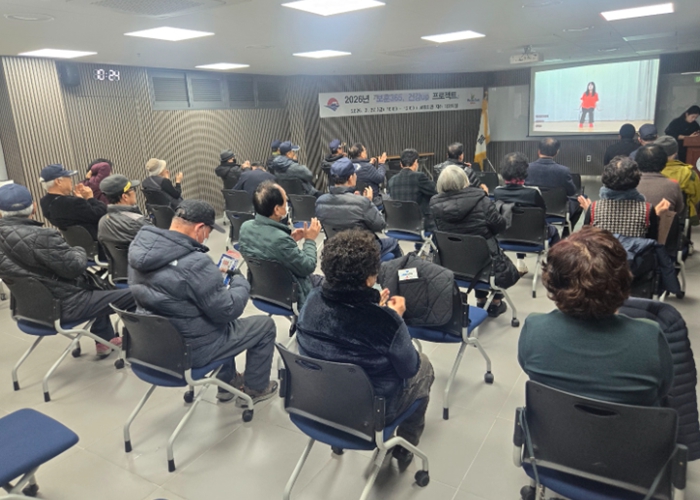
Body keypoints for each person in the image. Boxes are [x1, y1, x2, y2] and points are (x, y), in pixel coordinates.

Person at [295, 228, 434, 469]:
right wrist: (394, 317)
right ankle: (405, 445)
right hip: (370, 415)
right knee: (425, 367)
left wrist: (374, 307)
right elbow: (409, 368)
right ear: (371, 278)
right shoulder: (386, 322)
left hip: (317, 401)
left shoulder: (312, 301)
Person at [128, 199, 278, 405]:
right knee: (264, 325)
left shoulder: (139, 251)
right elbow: (229, 309)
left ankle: (228, 384)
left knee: (213, 320)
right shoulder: (195, 263)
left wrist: (208, 281)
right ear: (199, 228)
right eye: (208, 231)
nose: (207, 237)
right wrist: (239, 280)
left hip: (151, 348)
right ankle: (256, 388)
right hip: (189, 353)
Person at [518, 226, 673, 406]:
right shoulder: (650, 337)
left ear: (552, 283)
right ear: (623, 279)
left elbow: (529, 369)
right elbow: (664, 389)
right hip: (629, 424)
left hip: (554, 423)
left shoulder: (535, 329)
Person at [0, 184, 134, 357]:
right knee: (135, 294)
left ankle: (105, 339)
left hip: (29, 311)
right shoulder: (43, 236)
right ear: (34, 207)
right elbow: (75, 267)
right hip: (65, 307)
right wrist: (78, 249)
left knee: (95, 286)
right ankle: (142, 348)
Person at [430, 165, 519, 317]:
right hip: (485, 265)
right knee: (486, 251)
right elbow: (500, 226)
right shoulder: (482, 200)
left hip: (453, 264)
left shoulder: (434, 204)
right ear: (465, 180)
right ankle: (495, 302)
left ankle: (481, 299)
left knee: (475, 248)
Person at [239, 181, 323, 307]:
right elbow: (308, 266)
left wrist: (289, 239)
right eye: (285, 201)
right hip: (292, 295)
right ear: (277, 210)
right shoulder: (280, 240)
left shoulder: (245, 227)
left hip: (263, 291)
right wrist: (310, 240)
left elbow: (266, 250)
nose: (287, 204)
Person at [316, 157, 401, 260]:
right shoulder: (362, 203)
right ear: (351, 177)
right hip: (363, 252)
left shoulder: (320, 202)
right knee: (393, 242)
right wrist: (369, 202)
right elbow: (380, 225)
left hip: (336, 251)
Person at [493, 152, 560, 276]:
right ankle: (557, 268)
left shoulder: (497, 192)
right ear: (524, 171)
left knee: (517, 220)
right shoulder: (533, 192)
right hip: (534, 237)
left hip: (506, 236)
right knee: (553, 231)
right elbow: (542, 214)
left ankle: (520, 262)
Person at [579, 156, 669, 240]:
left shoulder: (594, 208)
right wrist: (654, 216)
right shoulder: (647, 209)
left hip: (604, 252)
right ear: (637, 179)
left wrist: (590, 212)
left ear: (605, 178)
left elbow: (587, 239)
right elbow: (651, 241)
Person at [526, 138, 581, 234]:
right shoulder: (563, 171)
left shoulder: (527, 168)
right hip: (558, 210)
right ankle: (565, 232)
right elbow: (572, 192)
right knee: (581, 201)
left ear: (539, 151)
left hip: (533, 209)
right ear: (556, 152)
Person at [39, 163, 107, 241]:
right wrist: (90, 198)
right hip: (97, 242)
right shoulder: (73, 203)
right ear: (58, 182)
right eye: (68, 177)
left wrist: (81, 200)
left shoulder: (45, 202)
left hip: (75, 243)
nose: (71, 180)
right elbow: (102, 214)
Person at [387, 148, 438, 232]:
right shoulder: (419, 177)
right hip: (420, 225)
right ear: (415, 162)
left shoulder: (391, 180)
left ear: (401, 164)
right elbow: (436, 191)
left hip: (398, 224)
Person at [655, 135, 700, 223]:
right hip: (679, 219)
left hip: (650, 217)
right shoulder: (689, 173)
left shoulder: (647, 171)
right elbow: (696, 198)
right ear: (675, 153)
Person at [97, 175, 150, 246]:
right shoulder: (139, 221)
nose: (135, 192)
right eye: (132, 189)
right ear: (125, 197)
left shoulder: (103, 222)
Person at [636, 145, 684, 213]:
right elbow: (679, 209)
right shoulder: (673, 185)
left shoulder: (630, 184)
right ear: (664, 161)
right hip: (664, 220)